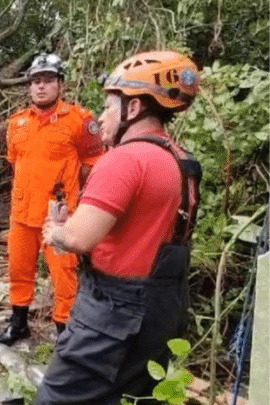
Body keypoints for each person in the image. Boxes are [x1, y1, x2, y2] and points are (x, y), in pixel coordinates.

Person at [36, 50, 202, 404]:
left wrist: (56, 232)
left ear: (134, 108)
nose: (102, 117)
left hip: (114, 315)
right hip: (165, 307)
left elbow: (79, 237)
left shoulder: (124, 159)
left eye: (109, 107)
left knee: (57, 398)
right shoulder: (183, 161)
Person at [0, 53, 104, 345]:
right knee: (19, 269)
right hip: (21, 213)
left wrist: (79, 204)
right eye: (35, 81)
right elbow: (15, 163)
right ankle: (18, 324)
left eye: (48, 80)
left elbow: (94, 163)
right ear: (30, 86)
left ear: (60, 85)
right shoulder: (17, 123)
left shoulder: (79, 120)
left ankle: (64, 333)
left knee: (64, 276)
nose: (41, 87)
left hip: (58, 216)